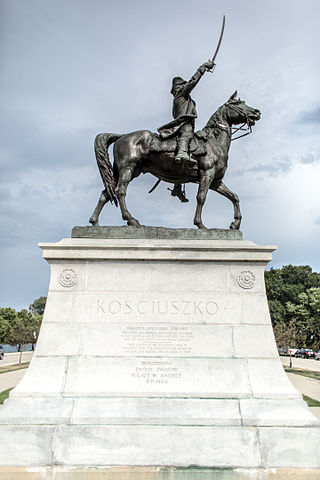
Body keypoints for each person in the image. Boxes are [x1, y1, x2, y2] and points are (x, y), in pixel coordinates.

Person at [158, 60, 215, 201]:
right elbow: (192, 83)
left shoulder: (180, 99)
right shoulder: (181, 96)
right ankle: (182, 152)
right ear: (179, 87)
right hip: (184, 126)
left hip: (185, 125)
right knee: (188, 133)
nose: (185, 87)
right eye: (183, 85)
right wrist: (202, 69)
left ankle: (177, 187)